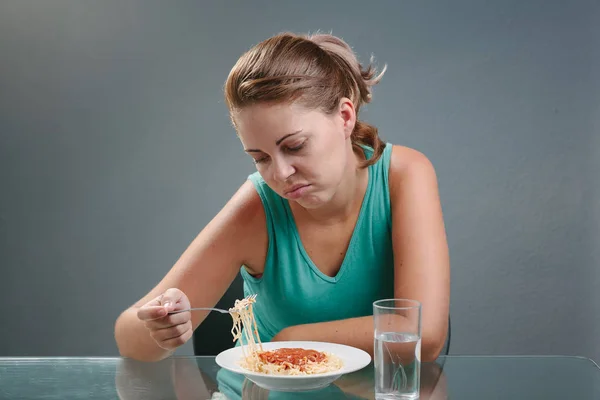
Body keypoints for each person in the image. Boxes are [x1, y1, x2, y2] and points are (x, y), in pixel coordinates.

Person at [114, 31, 450, 363]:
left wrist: (291, 339)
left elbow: (424, 334)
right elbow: (130, 337)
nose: (280, 174)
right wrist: (161, 325)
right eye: (260, 158)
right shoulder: (256, 207)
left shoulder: (404, 175)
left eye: (295, 146)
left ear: (345, 117)